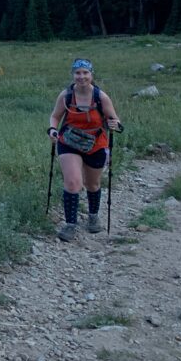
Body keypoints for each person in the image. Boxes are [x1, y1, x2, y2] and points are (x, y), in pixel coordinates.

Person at [47, 58, 123, 240]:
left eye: (85, 73)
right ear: (73, 75)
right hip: (69, 142)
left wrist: (115, 124)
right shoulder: (66, 95)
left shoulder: (101, 97)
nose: (81, 77)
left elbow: (116, 121)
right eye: (77, 73)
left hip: (95, 144)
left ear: (91, 74)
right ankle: (70, 225)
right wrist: (52, 129)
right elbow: (55, 116)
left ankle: (93, 217)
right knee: (73, 182)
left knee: (92, 184)